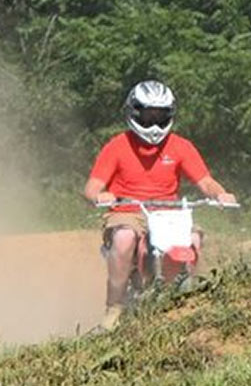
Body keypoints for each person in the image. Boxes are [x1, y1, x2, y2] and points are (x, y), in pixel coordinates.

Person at [83, 79, 237, 330]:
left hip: (168, 212)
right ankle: (114, 308)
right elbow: (92, 186)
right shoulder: (117, 146)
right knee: (123, 240)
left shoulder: (180, 146)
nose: (153, 124)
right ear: (133, 113)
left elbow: (206, 181)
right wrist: (100, 196)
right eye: (147, 116)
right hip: (127, 211)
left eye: (160, 116)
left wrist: (221, 194)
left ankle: (187, 300)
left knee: (193, 240)